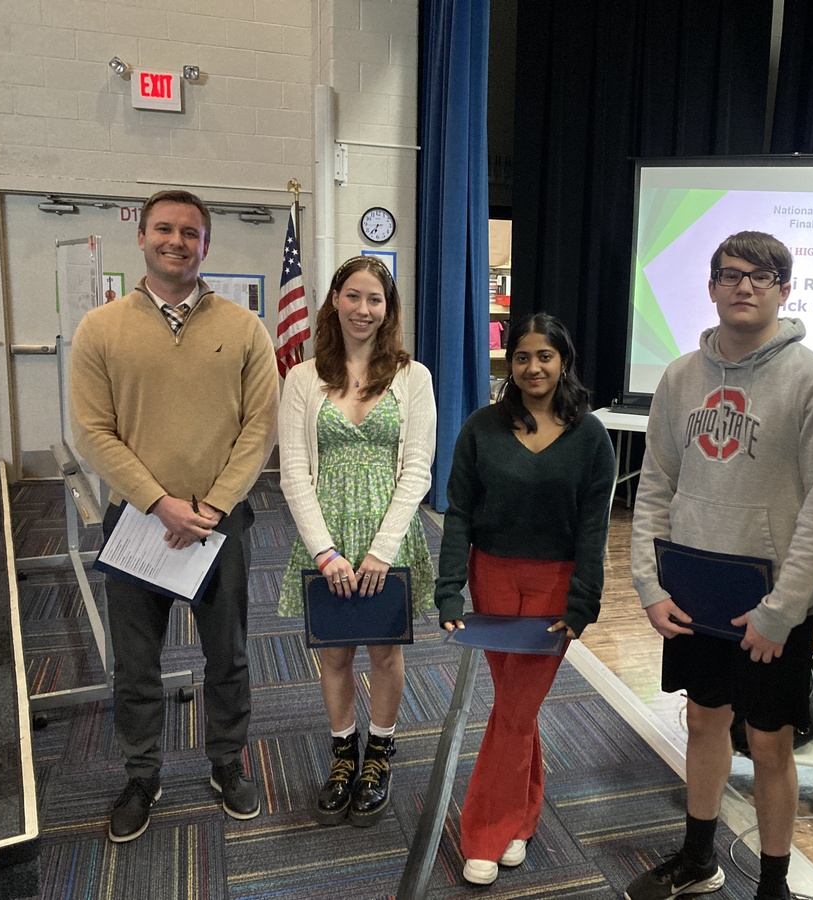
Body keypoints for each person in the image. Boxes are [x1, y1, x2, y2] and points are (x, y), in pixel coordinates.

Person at [625, 232, 813, 900]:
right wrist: (648, 583)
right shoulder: (678, 377)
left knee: (770, 741)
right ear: (711, 287)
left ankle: (774, 887)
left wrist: (782, 611)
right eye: (729, 274)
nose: (744, 286)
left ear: (786, 288)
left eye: (761, 275)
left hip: (771, 606)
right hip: (695, 593)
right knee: (703, 719)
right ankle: (698, 860)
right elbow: (657, 486)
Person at [69, 189, 279, 842]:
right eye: (165, 228)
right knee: (135, 664)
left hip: (222, 525)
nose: (177, 241)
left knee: (230, 656)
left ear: (206, 245)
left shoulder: (244, 328)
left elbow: (260, 427)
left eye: (191, 232)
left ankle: (225, 763)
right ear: (142, 237)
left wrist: (212, 505)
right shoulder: (100, 329)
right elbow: (92, 433)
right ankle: (141, 775)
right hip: (136, 525)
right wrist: (160, 502)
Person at [435, 313, 615, 886]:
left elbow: (594, 526)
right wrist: (448, 591)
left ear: (564, 362)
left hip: (554, 588)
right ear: (508, 364)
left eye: (545, 356)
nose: (533, 367)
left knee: (513, 710)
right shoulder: (482, 427)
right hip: (490, 580)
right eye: (521, 357)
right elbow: (458, 511)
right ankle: (525, 810)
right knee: (517, 705)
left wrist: (584, 600)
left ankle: (484, 831)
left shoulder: (590, 436)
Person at [277, 255, 436, 828]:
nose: (363, 309)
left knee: (386, 650)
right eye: (353, 296)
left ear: (388, 308)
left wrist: (382, 549)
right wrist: (324, 550)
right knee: (336, 650)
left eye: (375, 299)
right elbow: (293, 471)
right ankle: (344, 754)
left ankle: (380, 754)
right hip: (328, 534)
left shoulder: (413, 377)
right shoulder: (302, 377)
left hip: (387, 537)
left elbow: (418, 468)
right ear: (335, 301)